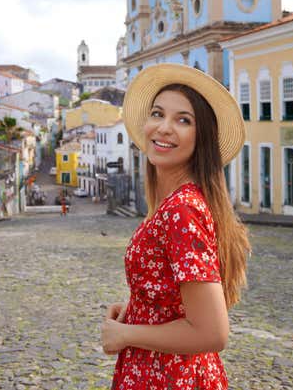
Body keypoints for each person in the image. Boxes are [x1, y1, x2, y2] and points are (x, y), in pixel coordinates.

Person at [102, 64, 250, 390]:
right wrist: (139, 309)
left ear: (202, 138)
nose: (164, 127)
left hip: (170, 378)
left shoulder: (182, 211)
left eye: (184, 120)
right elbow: (178, 300)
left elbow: (212, 332)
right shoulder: (176, 205)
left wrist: (125, 334)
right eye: (158, 114)